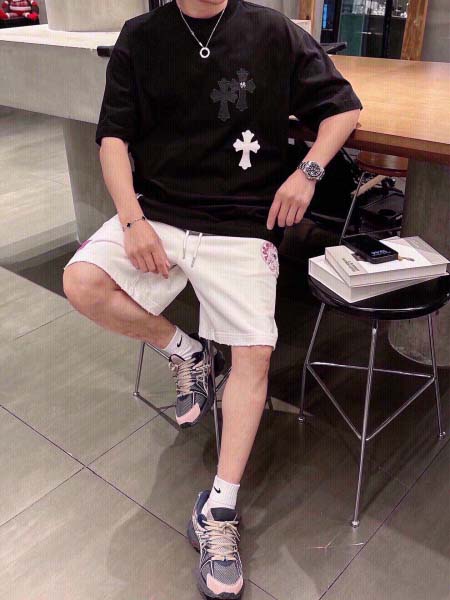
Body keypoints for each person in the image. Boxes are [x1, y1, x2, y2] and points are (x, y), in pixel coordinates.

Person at [63, 0, 362, 597]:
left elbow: (344, 109)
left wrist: (307, 173)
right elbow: (113, 138)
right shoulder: (141, 37)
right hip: (158, 214)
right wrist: (132, 220)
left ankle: (218, 508)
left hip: (241, 224)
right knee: (81, 282)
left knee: (254, 356)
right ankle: (186, 350)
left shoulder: (273, 31)